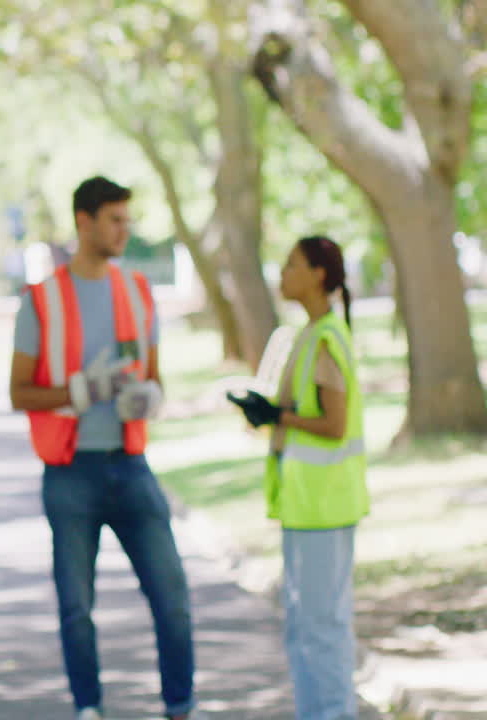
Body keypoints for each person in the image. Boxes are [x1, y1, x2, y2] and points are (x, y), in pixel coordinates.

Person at [9, 177, 198, 720]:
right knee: (76, 608)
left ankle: (181, 707)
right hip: (70, 473)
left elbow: (156, 377)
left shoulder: (138, 290)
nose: (124, 230)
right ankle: (88, 709)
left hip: (131, 464)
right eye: (114, 220)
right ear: (84, 222)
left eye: (127, 220)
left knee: (173, 600)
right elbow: (18, 391)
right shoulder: (41, 301)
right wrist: (77, 392)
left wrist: (150, 397)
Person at [227, 236, 367, 720]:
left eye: (292, 266)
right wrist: (269, 412)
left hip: (325, 507)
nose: (282, 273)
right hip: (306, 506)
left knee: (322, 626)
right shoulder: (309, 334)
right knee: (304, 628)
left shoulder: (326, 337)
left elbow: (334, 423)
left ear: (319, 276)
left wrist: (277, 417)